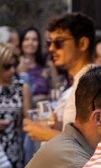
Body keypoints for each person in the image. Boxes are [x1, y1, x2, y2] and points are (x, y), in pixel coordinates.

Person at [23, 12, 96, 143]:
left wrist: (45, 134)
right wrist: (59, 127)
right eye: (49, 42)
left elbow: (86, 144)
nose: (51, 48)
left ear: (83, 44)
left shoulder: (92, 82)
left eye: (59, 42)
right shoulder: (82, 79)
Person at [18, 26, 56, 103]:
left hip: (46, 107)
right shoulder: (14, 66)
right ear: (21, 42)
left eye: (34, 40)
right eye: (26, 39)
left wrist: (45, 97)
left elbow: (57, 89)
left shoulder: (47, 65)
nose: (30, 43)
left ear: (39, 43)